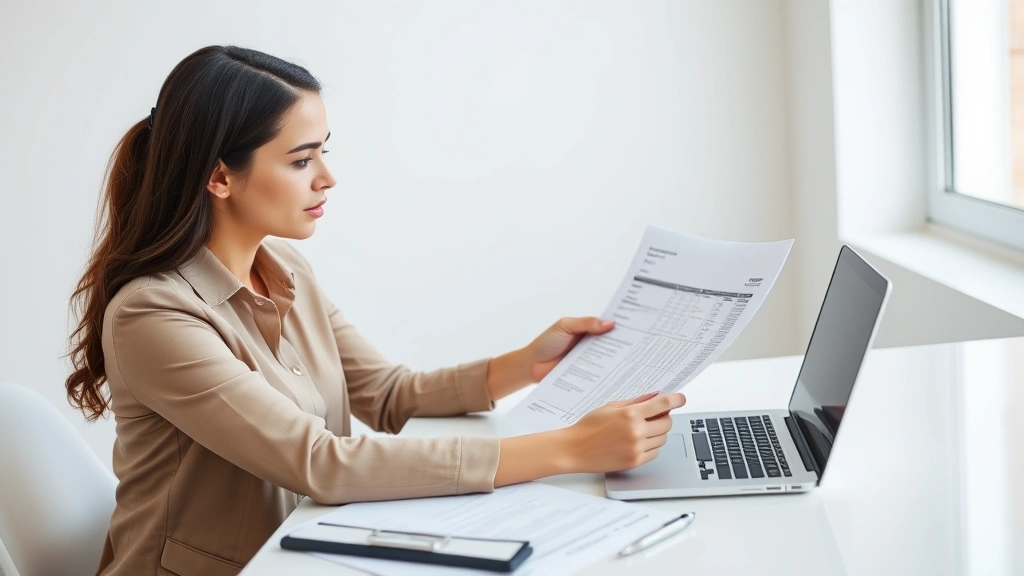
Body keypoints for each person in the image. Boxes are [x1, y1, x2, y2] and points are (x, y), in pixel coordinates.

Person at [64, 45, 686, 576]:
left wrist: (523, 365)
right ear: (220, 177)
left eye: (323, 152)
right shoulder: (154, 317)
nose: (327, 178)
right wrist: (571, 449)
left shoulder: (287, 270)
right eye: (301, 160)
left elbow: (387, 395)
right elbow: (320, 463)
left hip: (305, 553)